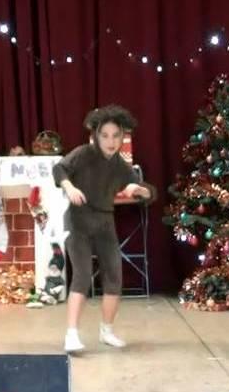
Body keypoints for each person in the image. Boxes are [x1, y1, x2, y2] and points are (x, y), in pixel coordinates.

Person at [52, 105, 155, 353]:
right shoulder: (83, 154)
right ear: (96, 136)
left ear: (123, 137)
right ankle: (71, 334)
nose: (111, 141)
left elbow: (136, 186)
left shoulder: (120, 164)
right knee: (83, 274)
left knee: (114, 276)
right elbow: (59, 168)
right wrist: (69, 187)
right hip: (78, 221)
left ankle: (106, 331)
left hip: (105, 223)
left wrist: (140, 190)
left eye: (116, 136)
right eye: (105, 135)